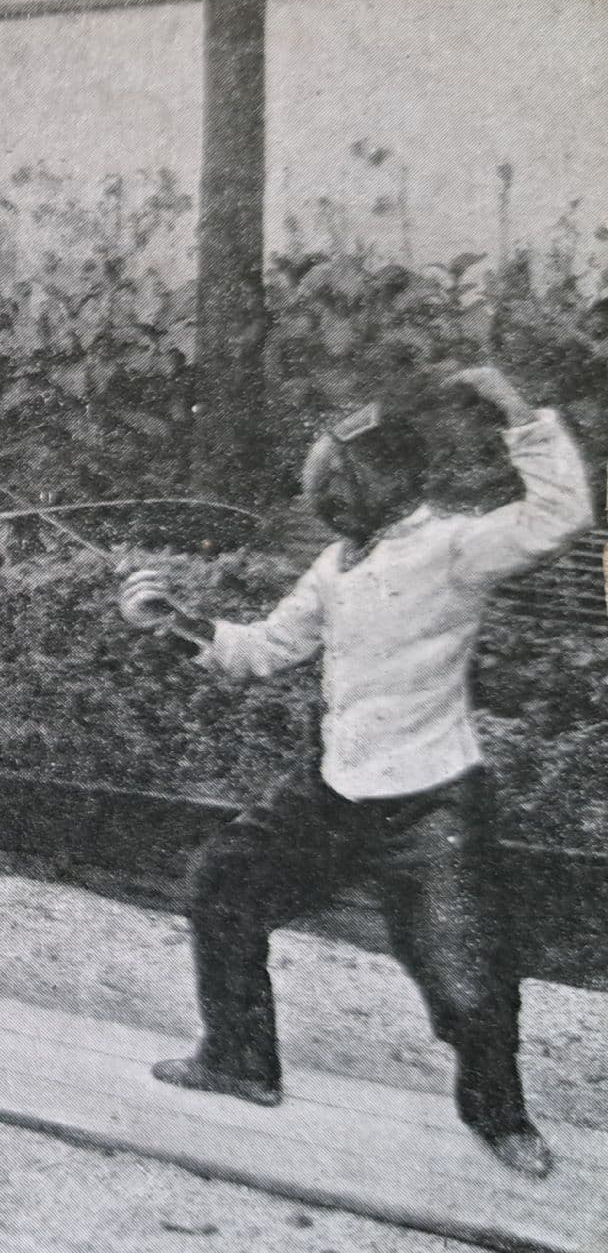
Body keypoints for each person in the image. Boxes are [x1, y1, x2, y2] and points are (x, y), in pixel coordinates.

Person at [117, 365, 588, 1179]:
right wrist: (174, 622)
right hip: (334, 789)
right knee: (224, 884)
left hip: (432, 803)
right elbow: (265, 648)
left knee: (469, 979)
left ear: (379, 481)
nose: (326, 492)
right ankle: (239, 1060)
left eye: (338, 479)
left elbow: (563, 514)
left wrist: (517, 410)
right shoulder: (336, 565)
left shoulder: (454, 546)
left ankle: (502, 1119)